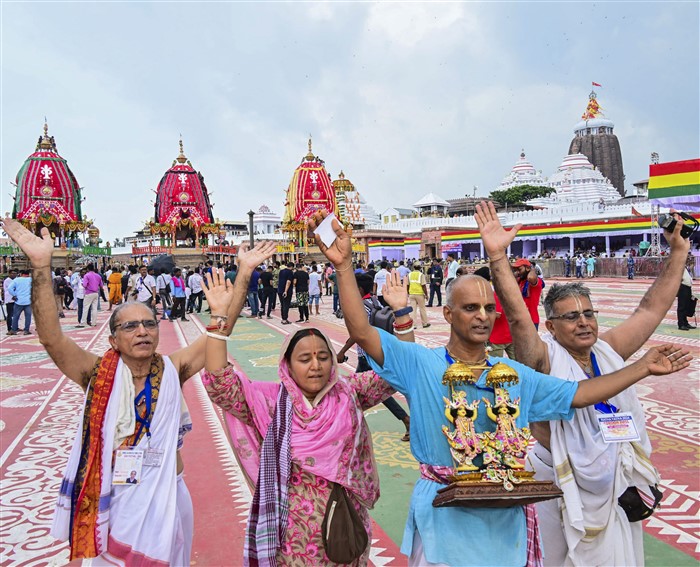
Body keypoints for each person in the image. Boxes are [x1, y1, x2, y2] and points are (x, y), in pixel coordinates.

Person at [308, 209, 690, 567]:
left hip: (506, 521)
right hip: (445, 517)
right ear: (448, 313)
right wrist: (342, 266)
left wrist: (641, 368)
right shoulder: (421, 365)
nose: (482, 316)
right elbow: (361, 330)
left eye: (489, 309)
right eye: (471, 307)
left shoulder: (511, 372)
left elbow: (578, 395)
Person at [1, 216, 277, 565]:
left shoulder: (172, 370)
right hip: (113, 497)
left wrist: (244, 276)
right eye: (130, 326)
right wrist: (41, 266)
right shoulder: (95, 373)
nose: (142, 331)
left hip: (169, 496)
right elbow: (51, 338)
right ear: (113, 339)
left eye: (149, 323)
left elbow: (217, 334)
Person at [477, 200, 692, 567]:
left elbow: (650, 309)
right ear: (551, 327)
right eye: (572, 316)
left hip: (614, 484)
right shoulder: (543, 360)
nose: (584, 323)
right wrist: (498, 257)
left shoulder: (606, 352)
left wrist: (679, 251)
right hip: (556, 482)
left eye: (589, 314)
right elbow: (516, 318)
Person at [199, 269, 395, 566]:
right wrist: (217, 320)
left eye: (323, 356)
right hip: (291, 535)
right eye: (304, 359)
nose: (316, 366)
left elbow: (395, 375)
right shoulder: (270, 403)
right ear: (287, 365)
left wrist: (404, 315)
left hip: (344, 528)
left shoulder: (350, 393)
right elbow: (221, 385)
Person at [510, 258, 544, 330]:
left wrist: (532, 268)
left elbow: (531, 277)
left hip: (531, 320)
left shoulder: (535, 281)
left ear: (528, 268)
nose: (518, 272)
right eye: (516, 270)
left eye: (519, 269)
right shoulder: (520, 281)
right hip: (519, 319)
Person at [8, 269, 32, 335]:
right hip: (28, 301)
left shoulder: (17, 280)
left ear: (21, 274)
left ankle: (13, 330)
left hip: (19, 300)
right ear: (28, 274)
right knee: (28, 316)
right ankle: (26, 330)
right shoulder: (31, 280)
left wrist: (14, 295)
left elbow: (9, 288)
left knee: (16, 316)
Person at [408, 263, 430, 328]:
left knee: (413, 310)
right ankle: (425, 323)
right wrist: (426, 294)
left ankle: (413, 325)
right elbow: (423, 285)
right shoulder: (421, 275)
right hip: (419, 294)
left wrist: (408, 293)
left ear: (413, 268)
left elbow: (407, 285)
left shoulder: (409, 274)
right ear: (420, 268)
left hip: (411, 293)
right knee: (422, 309)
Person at [677, 265, 696, 330]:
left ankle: (685, 322)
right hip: (683, 287)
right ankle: (681, 324)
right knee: (682, 306)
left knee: (686, 305)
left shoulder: (684, 267)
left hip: (687, 287)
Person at [278, 261, 295, 325]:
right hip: (286, 291)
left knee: (282, 305)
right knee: (286, 305)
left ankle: (283, 318)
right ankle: (285, 319)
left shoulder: (281, 271)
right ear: (292, 267)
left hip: (280, 290)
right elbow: (288, 282)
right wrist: (286, 291)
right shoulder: (290, 272)